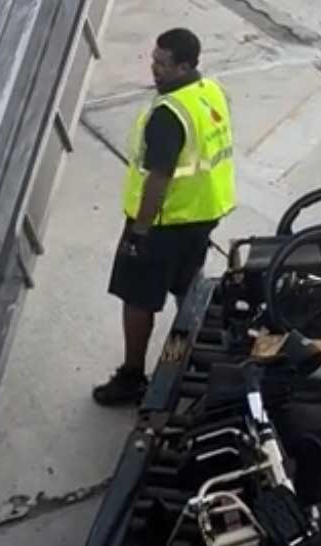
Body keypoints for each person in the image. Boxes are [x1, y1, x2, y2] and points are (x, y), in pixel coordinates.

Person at [93, 27, 236, 407]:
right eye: (153, 59)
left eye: (163, 64)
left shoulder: (168, 116)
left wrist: (138, 232)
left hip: (165, 223)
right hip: (202, 214)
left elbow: (158, 178)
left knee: (137, 297)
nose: (154, 68)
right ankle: (204, 355)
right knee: (188, 287)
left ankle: (131, 376)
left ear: (184, 66)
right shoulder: (209, 91)